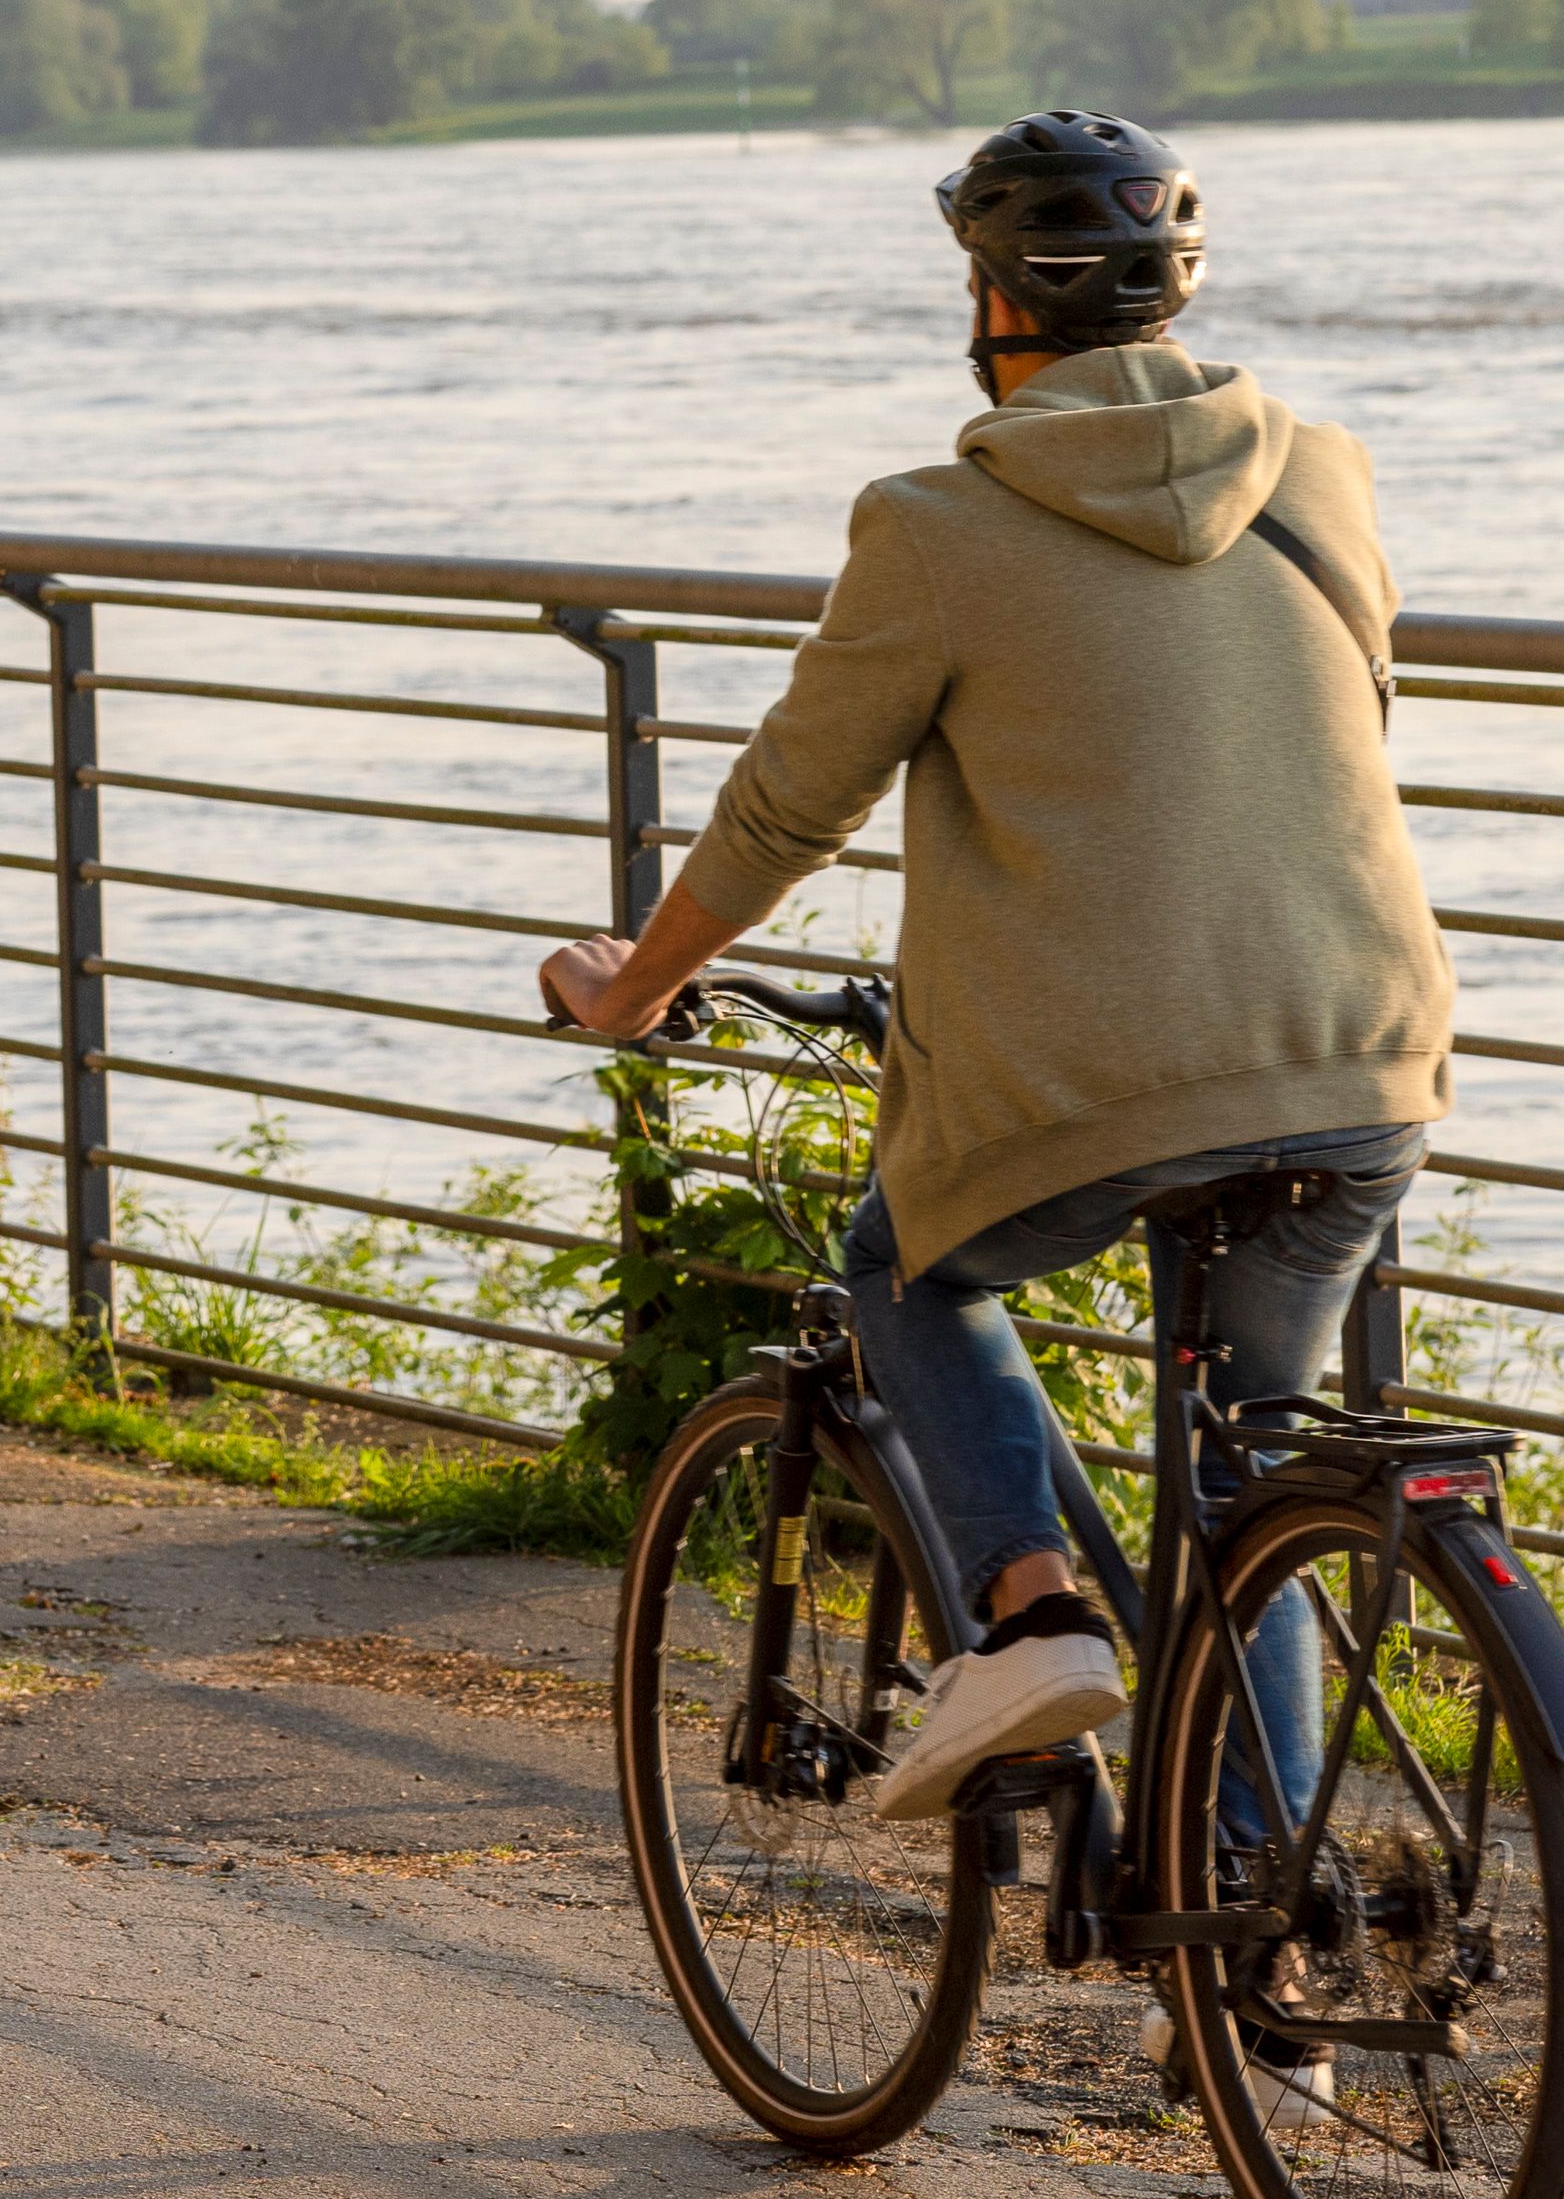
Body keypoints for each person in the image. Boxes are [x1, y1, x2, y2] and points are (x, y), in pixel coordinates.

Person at [533, 108, 1453, 1827]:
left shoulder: (937, 524)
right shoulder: (1322, 474)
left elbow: (786, 806)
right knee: (1251, 1463)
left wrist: (641, 982)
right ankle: (1270, 1942)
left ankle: (1028, 1616)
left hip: (1110, 1078)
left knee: (909, 1268)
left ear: (990, 298)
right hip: (1364, 1058)